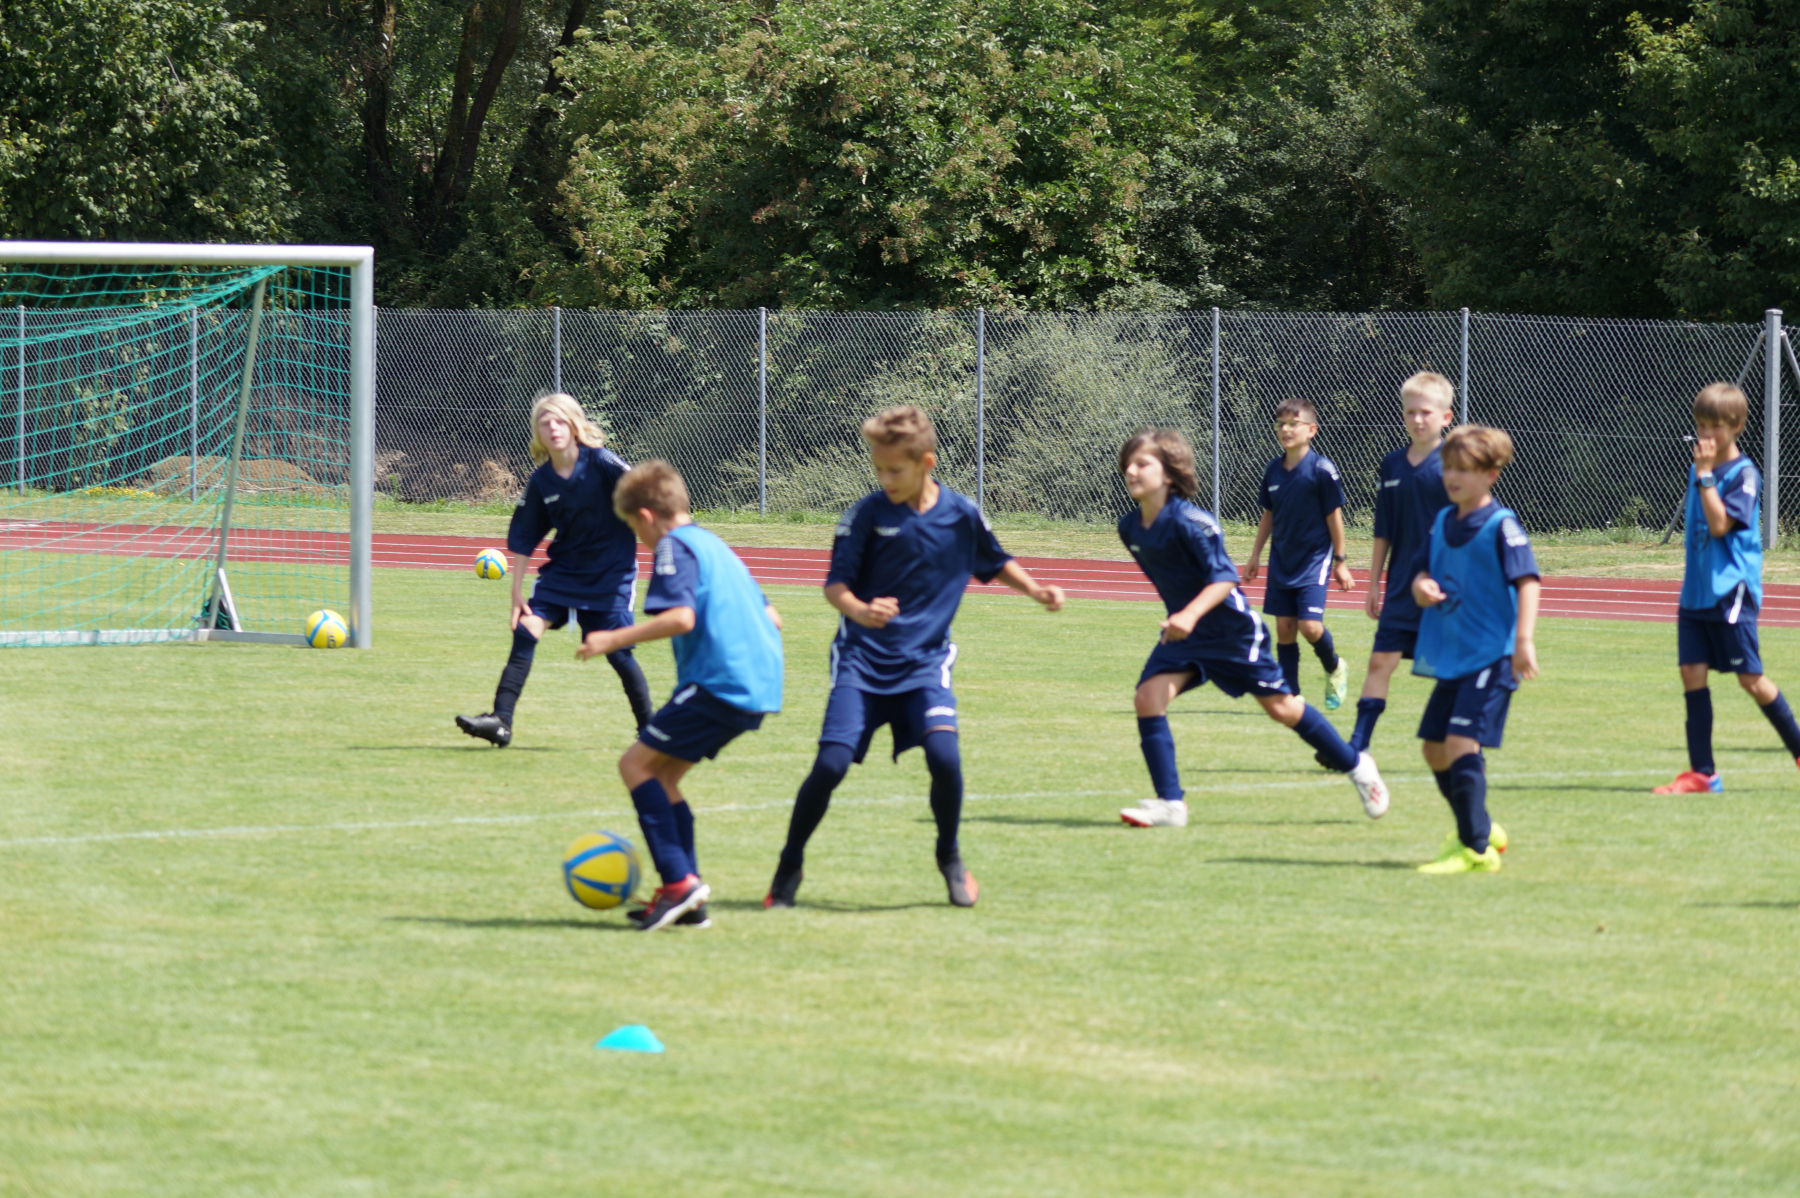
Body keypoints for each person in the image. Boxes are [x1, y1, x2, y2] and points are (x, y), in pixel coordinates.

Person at [764, 404, 1065, 909]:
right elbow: (835, 586)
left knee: (945, 757)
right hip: (862, 661)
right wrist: (861, 611)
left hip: (925, 663)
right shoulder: (866, 515)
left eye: (895, 470)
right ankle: (788, 866)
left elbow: (994, 560)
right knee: (831, 765)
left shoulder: (961, 515)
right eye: (878, 469)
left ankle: (950, 856)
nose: (885, 479)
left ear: (927, 462)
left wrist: (1036, 590)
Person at [1116, 427, 1390, 829]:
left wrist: (1189, 615)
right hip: (1187, 636)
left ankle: (1357, 766)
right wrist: (1181, 619)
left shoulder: (1194, 522)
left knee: (1282, 709)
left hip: (1234, 634)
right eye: (1128, 464)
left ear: (1170, 473)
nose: (1131, 470)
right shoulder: (1130, 528)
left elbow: (1224, 578)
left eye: (1142, 463)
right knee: (1148, 698)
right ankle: (1171, 805)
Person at [576, 459, 785, 930]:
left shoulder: (674, 546)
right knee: (664, 778)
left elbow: (681, 618)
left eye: (635, 529)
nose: (640, 539)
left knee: (634, 765)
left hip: (719, 683)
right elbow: (773, 617)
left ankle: (677, 883)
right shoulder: (716, 545)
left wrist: (611, 638)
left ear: (646, 517)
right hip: (758, 685)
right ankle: (691, 900)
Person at [455, 393, 653, 748]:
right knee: (527, 628)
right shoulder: (542, 480)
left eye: (560, 421)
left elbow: (644, 489)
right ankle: (501, 721)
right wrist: (516, 591)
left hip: (610, 574)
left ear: (574, 425)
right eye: (545, 423)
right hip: (564, 572)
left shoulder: (602, 461)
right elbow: (524, 536)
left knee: (617, 652)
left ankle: (651, 731)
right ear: (538, 433)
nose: (553, 428)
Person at [1653, 382, 1800, 794]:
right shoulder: (1699, 469)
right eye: (1701, 425)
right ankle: (1704, 773)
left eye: (1715, 426)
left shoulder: (1743, 474)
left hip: (1730, 591)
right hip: (1696, 592)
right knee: (1691, 673)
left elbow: (1719, 526)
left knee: (1750, 678)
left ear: (1737, 426)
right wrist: (1701, 474)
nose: (1706, 434)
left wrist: (1705, 477)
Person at [1409, 425, 1540, 873]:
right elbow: (1421, 571)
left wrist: (1523, 641)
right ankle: (1480, 826)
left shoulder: (1502, 526)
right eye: (1448, 467)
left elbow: (1528, 582)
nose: (1452, 476)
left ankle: (1476, 849)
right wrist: (1422, 586)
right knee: (1433, 749)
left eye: (1463, 469)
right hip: (1455, 657)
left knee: (1460, 743)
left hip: (1492, 656)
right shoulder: (1443, 521)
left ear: (1491, 475)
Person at [1347, 372, 1456, 756]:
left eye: (1426, 412)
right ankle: (1356, 748)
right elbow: (1384, 528)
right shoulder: (1392, 464)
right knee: (1380, 662)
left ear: (1446, 417)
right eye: (1410, 412)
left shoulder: (1456, 464)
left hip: (1445, 587)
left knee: (1452, 672)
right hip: (1400, 586)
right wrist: (1374, 583)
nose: (1417, 419)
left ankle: (1465, 750)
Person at [1244, 398, 1353, 709]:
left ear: (1312, 430)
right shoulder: (1273, 470)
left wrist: (1341, 561)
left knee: (1310, 627)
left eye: (1294, 424)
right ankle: (1290, 697)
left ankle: (1335, 666)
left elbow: (1334, 516)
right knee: (1284, 629)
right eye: (1281, 424)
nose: (1286, 429)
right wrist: (1255, 554)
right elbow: (1268, 514)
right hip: (1282, 558)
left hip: (1314, 559)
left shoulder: (1321, 469)